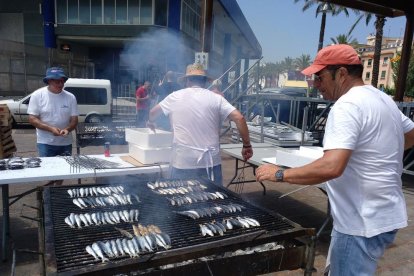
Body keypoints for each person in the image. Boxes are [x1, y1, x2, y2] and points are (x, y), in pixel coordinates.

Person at [255, 44, 414, 275]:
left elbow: (332, 166)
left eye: (320, 77)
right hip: (385, 216)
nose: (316, 85)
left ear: (341, 73)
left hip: (360, 223)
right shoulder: (382, 98)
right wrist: (376, 156)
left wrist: (279, 173)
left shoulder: (346, 105)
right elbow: (410, 135)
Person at [147, 63, 253, 186]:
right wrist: (247, 146)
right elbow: (239, 118)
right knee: (213, 200)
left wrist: (151, 122)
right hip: (210, 162)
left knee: (180, 198)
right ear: (205, 82)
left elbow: (152, 113)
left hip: (183, 160)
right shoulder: (216, 98)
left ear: (187, 81)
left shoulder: (175, 96)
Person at [28, 67, 79, 157]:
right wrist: (51, 129)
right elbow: (32, 119)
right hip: (45, 143)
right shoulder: (37, 95)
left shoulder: (70, 97)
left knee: (66, 169)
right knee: (47, 169)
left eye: (62, 81)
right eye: (57, 82)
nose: (60, 84)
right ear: (49, 81)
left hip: (65, 143)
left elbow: (74, 120)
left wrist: (67, 129)